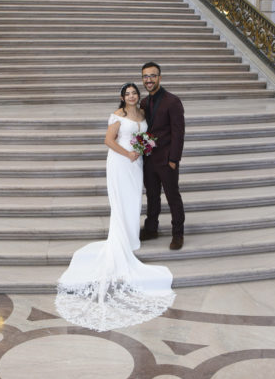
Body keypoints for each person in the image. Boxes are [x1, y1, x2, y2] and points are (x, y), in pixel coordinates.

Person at [55, 82, 175, 332]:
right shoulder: (118, 115)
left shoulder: (142, 113)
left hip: (136, 162)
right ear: (122, 97)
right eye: (127, 93)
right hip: (121, 162)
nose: (131, 96)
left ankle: (131, 237)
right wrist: (127, 154)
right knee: (121, 201)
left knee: (133, 200)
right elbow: (108, 140)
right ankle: (121, 240)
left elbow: (143, 135)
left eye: (134, 93)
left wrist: (142, 149)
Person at [138, 61, 185, 250]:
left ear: (160, 77)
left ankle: (178, 234)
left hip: (167, 160)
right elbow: (142, 131)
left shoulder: (173, 101)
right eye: (145, 76)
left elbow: (178, 133)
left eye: (152, 76)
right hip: (149, 160)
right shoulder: (143, 102)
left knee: (173, 196)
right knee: (152, 196)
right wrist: (141, 154)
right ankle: (151, 229)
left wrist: (174, 160)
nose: (149, 80)